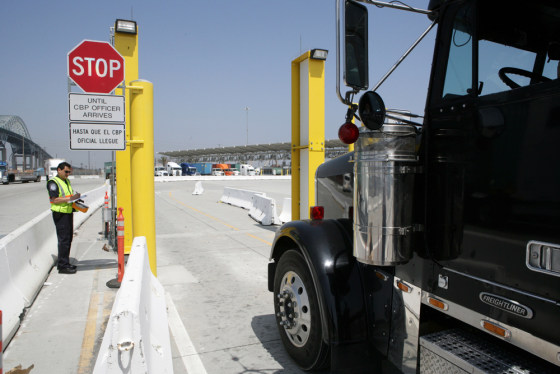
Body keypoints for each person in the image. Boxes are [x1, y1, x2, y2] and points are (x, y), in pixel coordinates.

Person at [47, 162, 80, 274]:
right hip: (60, 214)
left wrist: (75, 199)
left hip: (68, 212)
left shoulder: (66, 181)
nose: (68, 174)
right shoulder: (53, 182)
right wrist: (70, 199)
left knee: (68, 238)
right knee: (63, 240)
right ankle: (62, 266)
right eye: (66, 171)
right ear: (59, 170)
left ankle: (65, 262)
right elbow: (54, 199)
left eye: (69, 172)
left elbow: (68, 196)